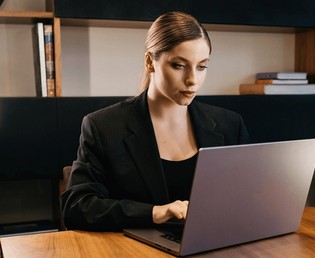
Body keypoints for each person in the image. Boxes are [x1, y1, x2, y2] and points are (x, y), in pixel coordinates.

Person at [60, 11, 250, 231]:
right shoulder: (102, 126)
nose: (192, 80)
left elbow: (247, 197)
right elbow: (77, 207)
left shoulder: (230, 125)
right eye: (179, 65)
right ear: (150, 62)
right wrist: (155, 213)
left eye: (201, 66)